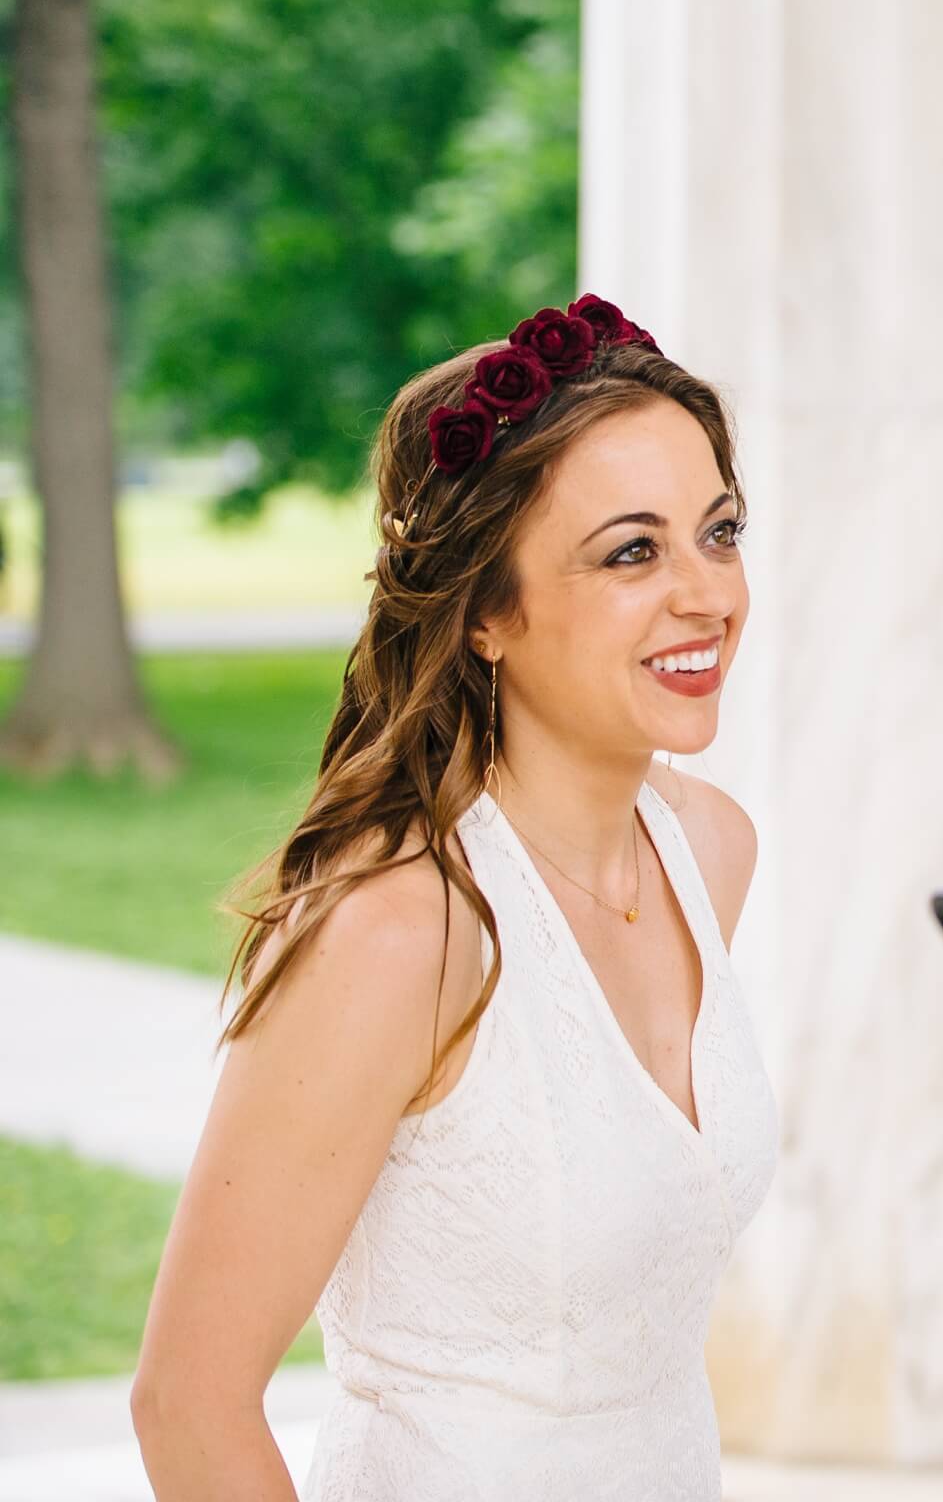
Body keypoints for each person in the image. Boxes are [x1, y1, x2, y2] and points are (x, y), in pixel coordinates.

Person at [131, 297, 779, 1500]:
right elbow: (187, 1403)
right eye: (633, 550)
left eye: (719, 531)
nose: (707, 594)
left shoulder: (711, 851)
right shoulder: (398, 926)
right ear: (487, 610)